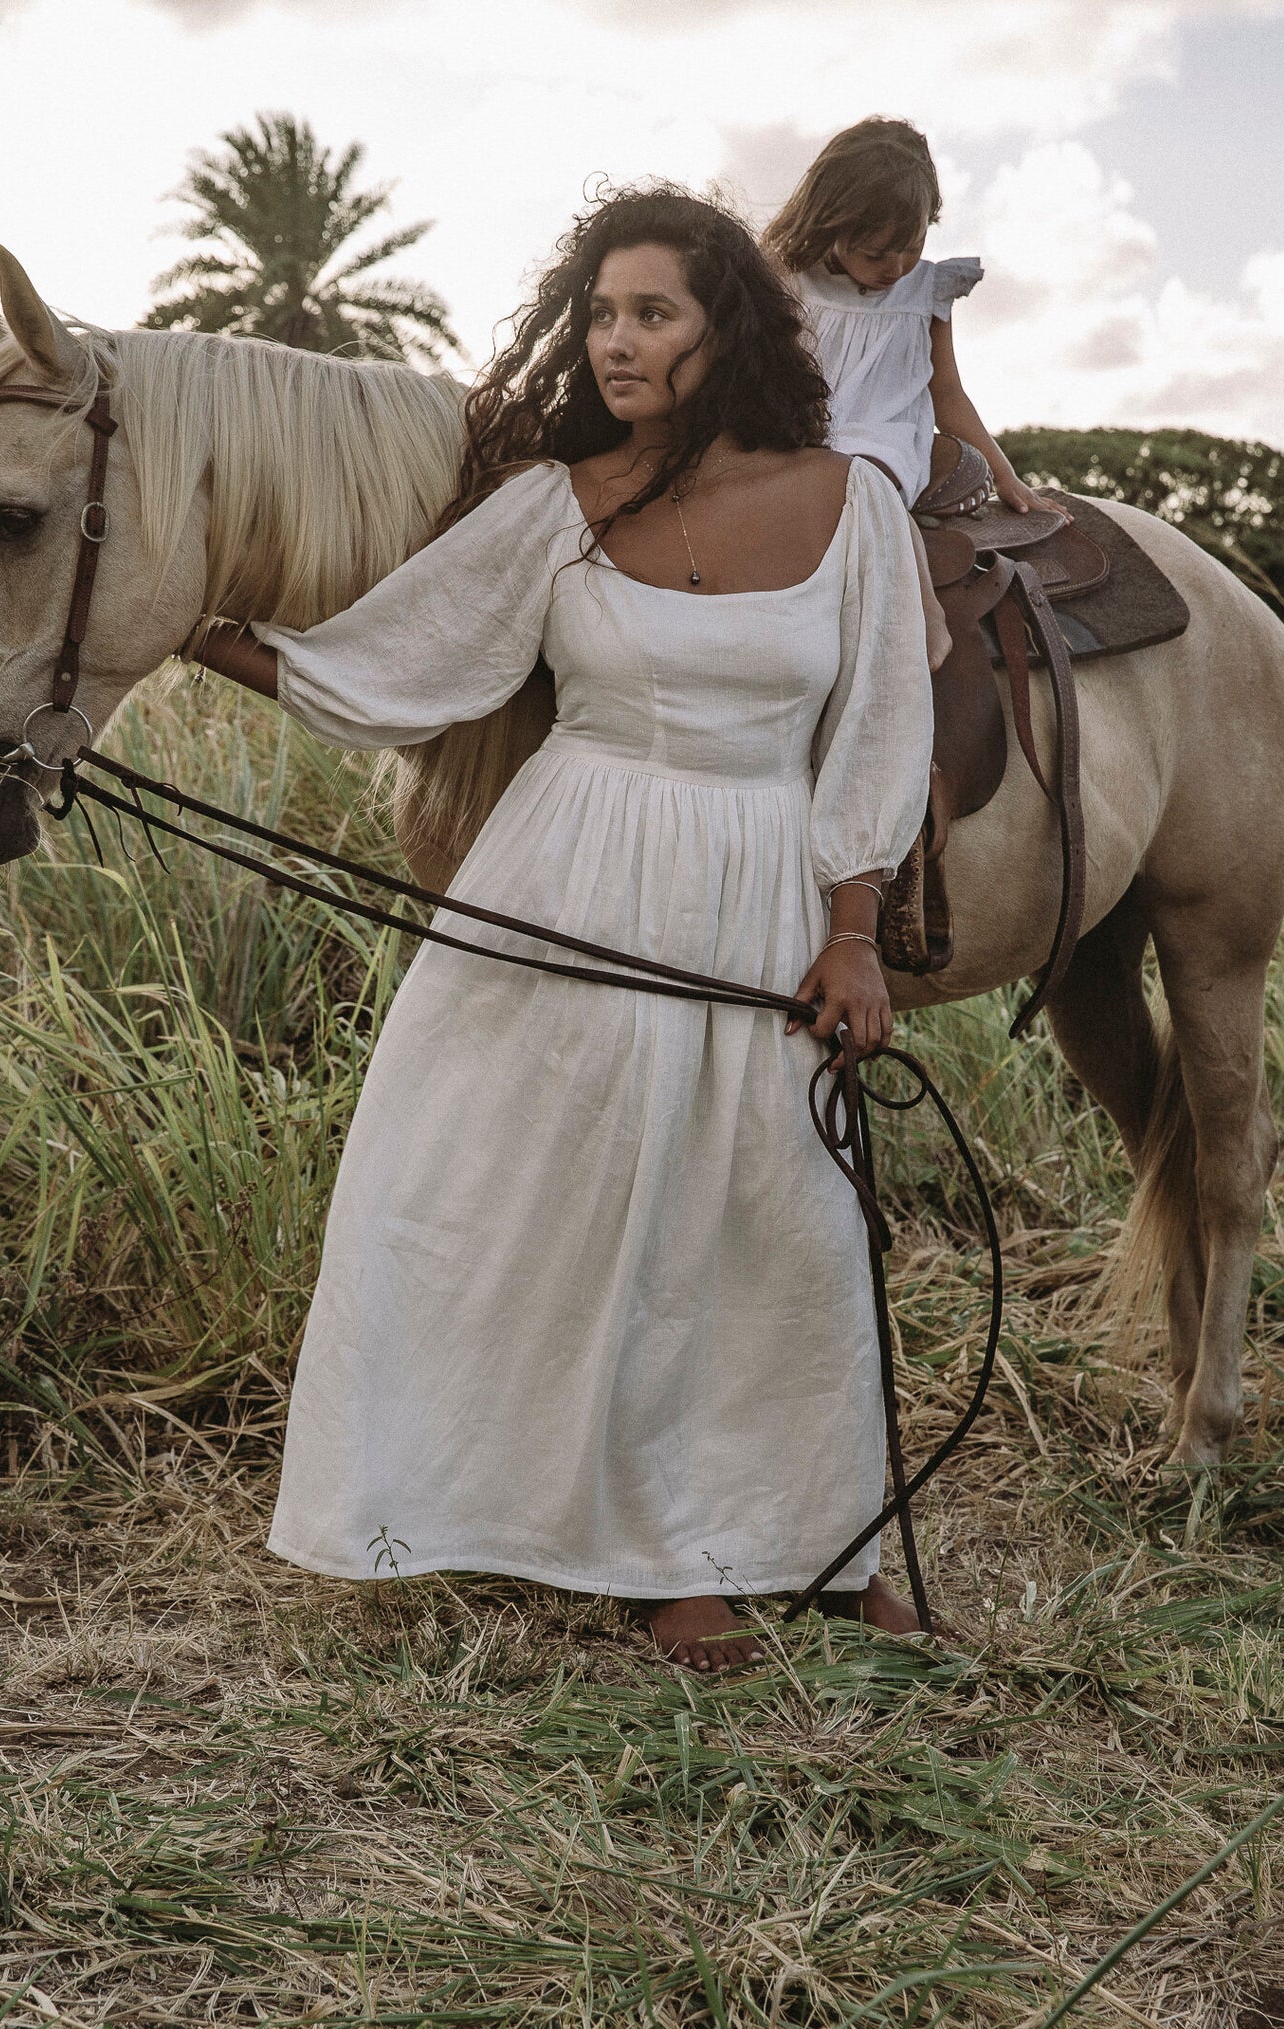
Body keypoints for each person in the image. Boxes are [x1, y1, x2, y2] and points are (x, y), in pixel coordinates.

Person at [191, 186, 934, 1673]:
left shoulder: (852, 504)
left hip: (753, 883)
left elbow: (876, 732)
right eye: (598, 313)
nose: (614, 341)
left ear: (723, 326)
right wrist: (204, 636)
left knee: (767, 1212)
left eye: (649, 311)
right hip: (562, 884)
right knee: (532, 1199)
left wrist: (852, 931)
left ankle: (817, 1535)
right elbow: (402, 669)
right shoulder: (560, 506)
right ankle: (644, 1546)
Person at [764, 116, 1054, 672]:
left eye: (912, 245)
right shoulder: (785, 283)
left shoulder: (927, 291)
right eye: (875, 253)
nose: (896, 268)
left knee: (866, 484)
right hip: (799, 432)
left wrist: (1006, 474)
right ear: (831, 224)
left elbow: (948, 394)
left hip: (885, 434)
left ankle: (923, 614)